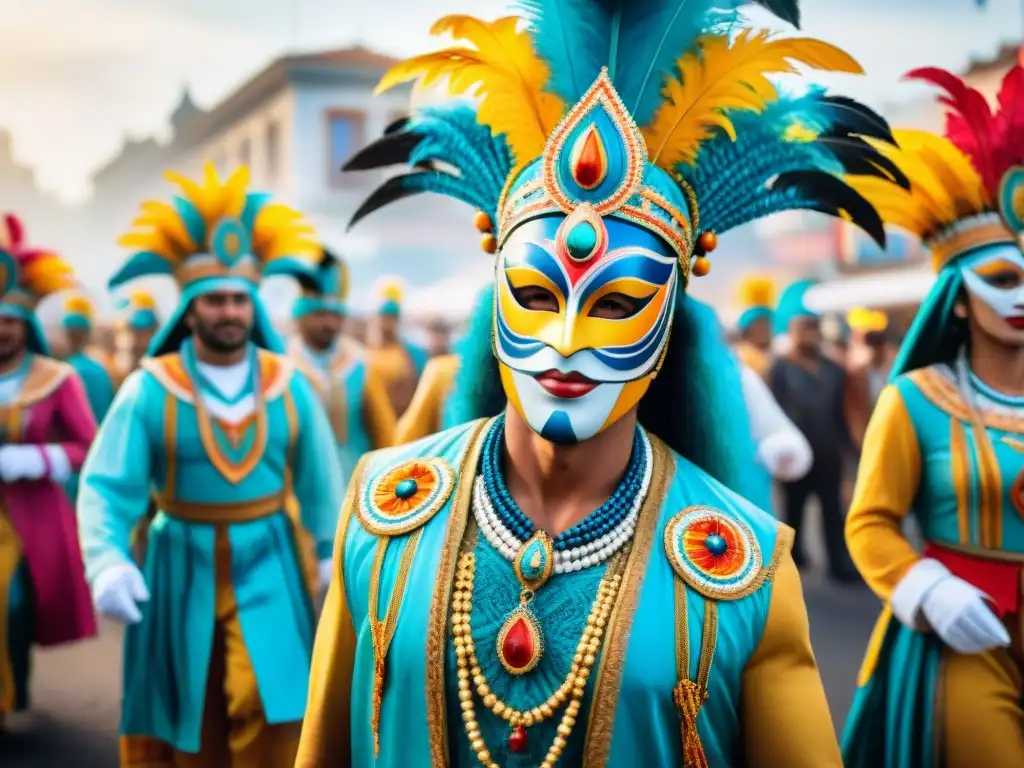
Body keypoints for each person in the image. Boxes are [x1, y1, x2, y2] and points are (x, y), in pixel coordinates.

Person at [296, 0, 907, 764]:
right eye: (536, 294)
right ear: (496, 301)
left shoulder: (744, 570)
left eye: (617, 304)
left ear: (669, 328)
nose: (564, 340)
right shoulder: (385, 514)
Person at [77, 164, 343, 767]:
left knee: (271, 695)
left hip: (269, 557)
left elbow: (321, 478)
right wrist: (107, 558)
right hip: (179, 558)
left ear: (253, 306)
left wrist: (332, 549)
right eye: (213, 299)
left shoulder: (288, 385)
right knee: (188, 709)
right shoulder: (150, 388)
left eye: (238, 299)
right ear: (189, 311)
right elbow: (107, 485)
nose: (228, 310)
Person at [842, 63, 1024, 767]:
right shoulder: (914, 400)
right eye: (1003, 278)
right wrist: (928, 591)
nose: (1019, 296)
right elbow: (870, 523)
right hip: (965, 636)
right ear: (957, 291)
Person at [0, 215, 97, 728]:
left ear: (26, 325)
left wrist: (34, 460)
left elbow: (88, 445)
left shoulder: (56, 379)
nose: (2, 330)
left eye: (10, 320)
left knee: (14, 603)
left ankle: (13, 689)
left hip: (30, 515)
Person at [769, 279, 858, 581]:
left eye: (813, 327)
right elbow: (773, 412)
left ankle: (838, 563)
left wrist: (849, 448)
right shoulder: (780, 368)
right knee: (794, 512)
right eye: (802, 327)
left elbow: (841, 412)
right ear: (792, 331)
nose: (809, 333)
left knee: (834, 512)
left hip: (828, 452)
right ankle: (793, 563)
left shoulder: (833, 369)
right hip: (796, 454)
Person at [288, 247, 397, 481]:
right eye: (319, 314)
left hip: (356, 490)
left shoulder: (361, 366)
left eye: (335, 315)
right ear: (300, 315)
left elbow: (385, 437)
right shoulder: (282, 368)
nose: (328, 323)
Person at [365, 277, 428, 416]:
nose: (388, 323)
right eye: (384, 316)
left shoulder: (413, 354)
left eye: (393, 317)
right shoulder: (364, 354)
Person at [844, 307, 892, 449]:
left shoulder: (896, 367)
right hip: (871, 438)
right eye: (870, 342)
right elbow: (855, 416)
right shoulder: (857, 375)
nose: (875, 347)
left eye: (878, 341)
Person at [112, 289, 159, 387]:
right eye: (134, 331)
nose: (138, 340)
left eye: (143, 332)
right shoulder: (114, 372)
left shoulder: (160, 373)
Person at [733, 276, 776, 379]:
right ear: (748, 331)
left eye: (767, 325)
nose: (765, 330)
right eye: (760, 326)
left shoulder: (769, 355)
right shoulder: (744, 355)